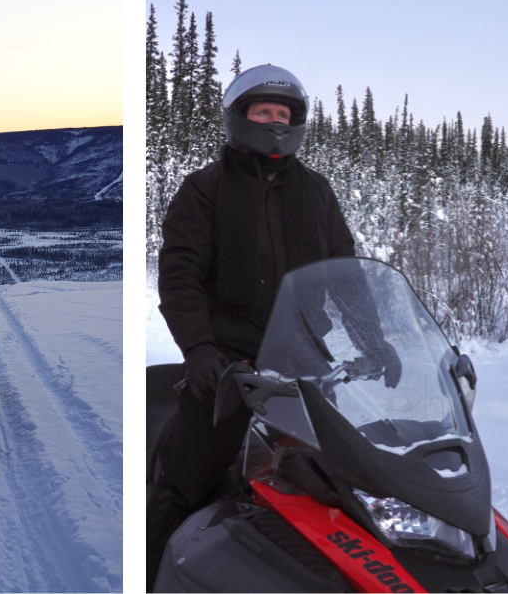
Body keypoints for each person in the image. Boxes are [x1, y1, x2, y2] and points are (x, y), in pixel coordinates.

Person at [147, 63, 356, 587]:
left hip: (302, 360)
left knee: (342, 477)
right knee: (186, 477)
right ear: (240, 117)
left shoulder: (316, 192)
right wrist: (198, 350)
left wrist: (380, 343)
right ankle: (154, 570)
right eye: (263, 112)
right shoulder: (206, 189)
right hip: (226, 365)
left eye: (284, 114)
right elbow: (180, 276)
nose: (275, 122)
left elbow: (346, 276)